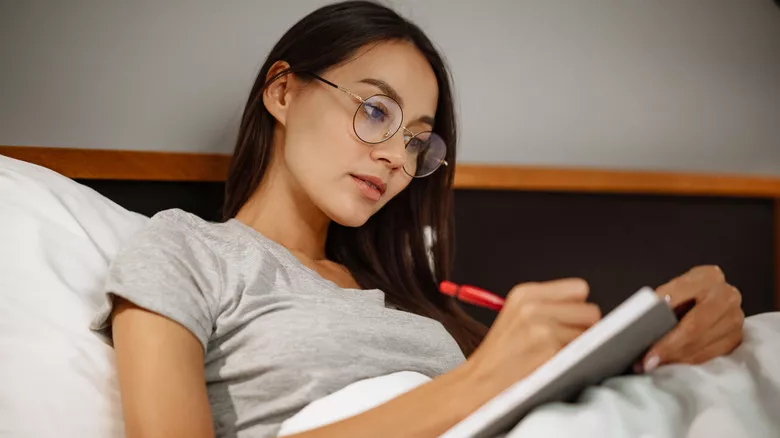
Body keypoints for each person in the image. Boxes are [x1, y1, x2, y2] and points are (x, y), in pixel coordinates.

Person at [92, 2, 745, 437]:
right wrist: (485, 375)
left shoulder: (404, 295)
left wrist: (654, 349)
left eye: (416, 142)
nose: (395, 159)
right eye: (376, 111)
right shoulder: (186, 249)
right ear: (283, 91)